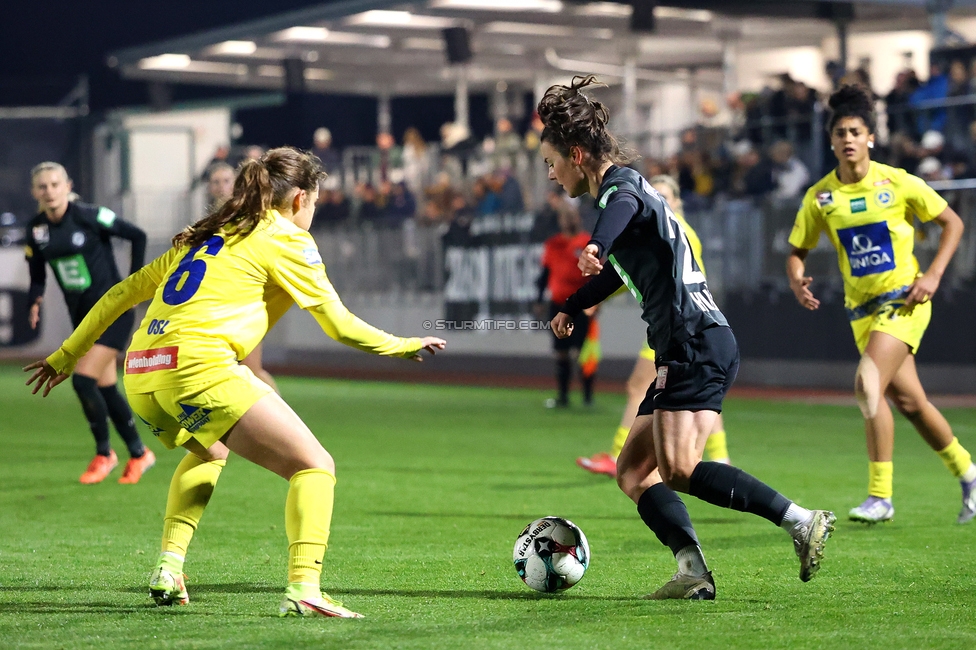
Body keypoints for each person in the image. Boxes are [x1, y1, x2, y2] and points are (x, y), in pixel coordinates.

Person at [24, 147, 446, 618]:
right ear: (300, 198)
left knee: (208, 449)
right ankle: (305, 588)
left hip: (142, 369)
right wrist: (402, 345)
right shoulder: (286, 238)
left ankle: (169, 565)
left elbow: (122, 293)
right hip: (198, 366)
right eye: (315, 203)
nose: (313, 213)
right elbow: (339, 325)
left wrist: (65, 355)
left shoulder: (204, 235)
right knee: (314, 466)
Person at [541, 76, 834, 600]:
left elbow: (619, 212)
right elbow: (622, 269)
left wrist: (596, 245)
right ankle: (693, 569)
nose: (550, 171)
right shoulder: (632, 189)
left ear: (577, 154)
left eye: (551, 161)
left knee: (677, 468)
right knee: (633, 472)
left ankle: (799, 519)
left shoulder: (620, 189)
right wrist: (573, 304)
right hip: (695, 341)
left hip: (691, 342)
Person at [788, 85, 976, 525]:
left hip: (904, 301)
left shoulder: (899, 182)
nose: (848, 139)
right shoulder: (821, 197)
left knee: (867, 382)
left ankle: (880, 496)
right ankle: (968, 473)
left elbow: (953, 222)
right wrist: (796, 277)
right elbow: (797, 249)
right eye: (840, 133)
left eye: (856, 131)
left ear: (870, 137)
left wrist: (932, 276)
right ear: (832, 141)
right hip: (862, 314)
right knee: (910, 403)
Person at [576, 174, 731, 478]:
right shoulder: (671, 230)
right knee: (704, 395)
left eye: (664, 196)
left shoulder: (676, 232)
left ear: (676, 202)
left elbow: (673, 279)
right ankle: (721, 458)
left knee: (641, 385)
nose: (656, 201)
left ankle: (619, 453)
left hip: (679, 326)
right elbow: (633, 273)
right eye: (654, 195)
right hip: (680, 325)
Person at [25, 161, 155, 484]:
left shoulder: (91, 215)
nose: (49, 191)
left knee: (83, 380)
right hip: (83, 319)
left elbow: (138, 235)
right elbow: (38, 272)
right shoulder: (37, 230)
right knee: (105, 387)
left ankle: (104, 453)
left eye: (55, 184)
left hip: (114, 313)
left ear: (67, 186)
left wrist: (135, 286)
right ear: (34, 192)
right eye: (43, 186)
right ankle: (140, 454)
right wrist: (35, 299)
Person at [205, 162, 279, 393]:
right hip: (218, 302)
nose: (221, 187)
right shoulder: (212, 221)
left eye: (226, 181)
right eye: (216, 182)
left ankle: (283, 420)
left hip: (244, 300)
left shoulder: (247, 215)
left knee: (252, 370)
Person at [536, 200, 595, 408]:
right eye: (564, 216)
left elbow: (597, 275)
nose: (568, 220)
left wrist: (596, 303)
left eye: (571, 216)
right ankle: (563, 396)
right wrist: (539, 299)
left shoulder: (588, 242)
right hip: (558, 304)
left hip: (580, 305)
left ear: (577, 218)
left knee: (581, 351)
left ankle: (588, 397)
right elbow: (544, 274)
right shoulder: (553, 244)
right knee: (560, 351)